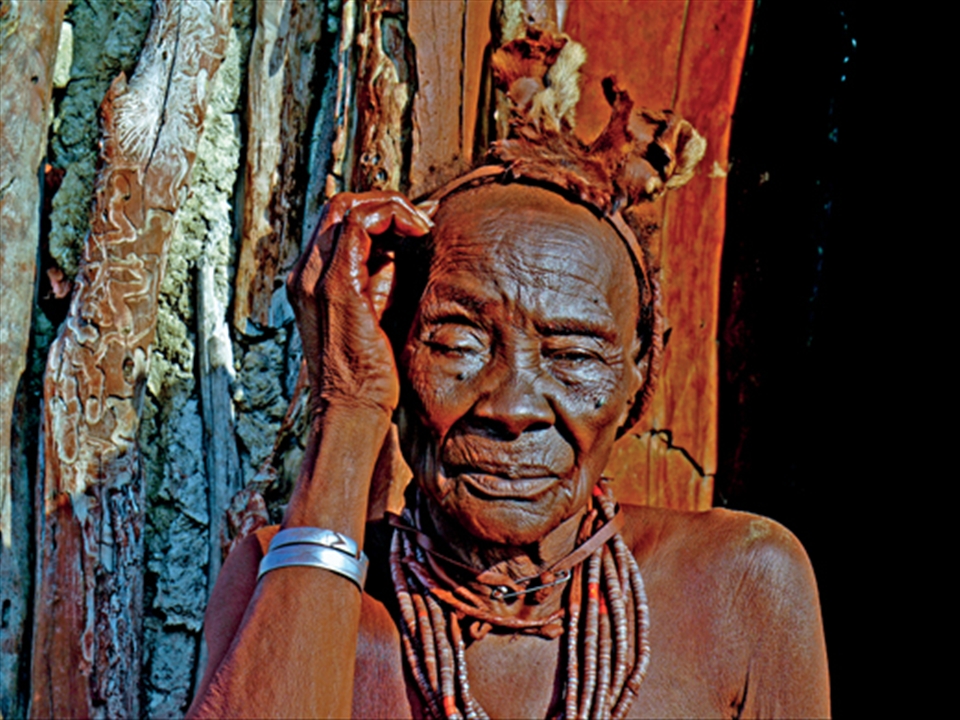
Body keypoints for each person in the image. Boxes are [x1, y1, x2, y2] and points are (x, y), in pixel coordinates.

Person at [187, 34, 829, 720]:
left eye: (575, 355)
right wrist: (347, 407)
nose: (514, 406)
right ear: (396, 352)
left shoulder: (740, 585)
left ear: (637, 381)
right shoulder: (293, 581)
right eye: (458, 342)